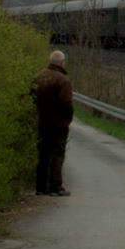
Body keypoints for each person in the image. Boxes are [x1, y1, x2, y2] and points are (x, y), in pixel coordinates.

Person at [33, 50, 74, 196]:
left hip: (43, 122)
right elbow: (66, 103)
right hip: (59, 124)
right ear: (62, 62)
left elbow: (31, 98)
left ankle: (40, 187)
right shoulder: (62, 80)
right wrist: (68, 117)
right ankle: (56, 187)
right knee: (57, 154)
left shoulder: (38, 77)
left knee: (43, 154)